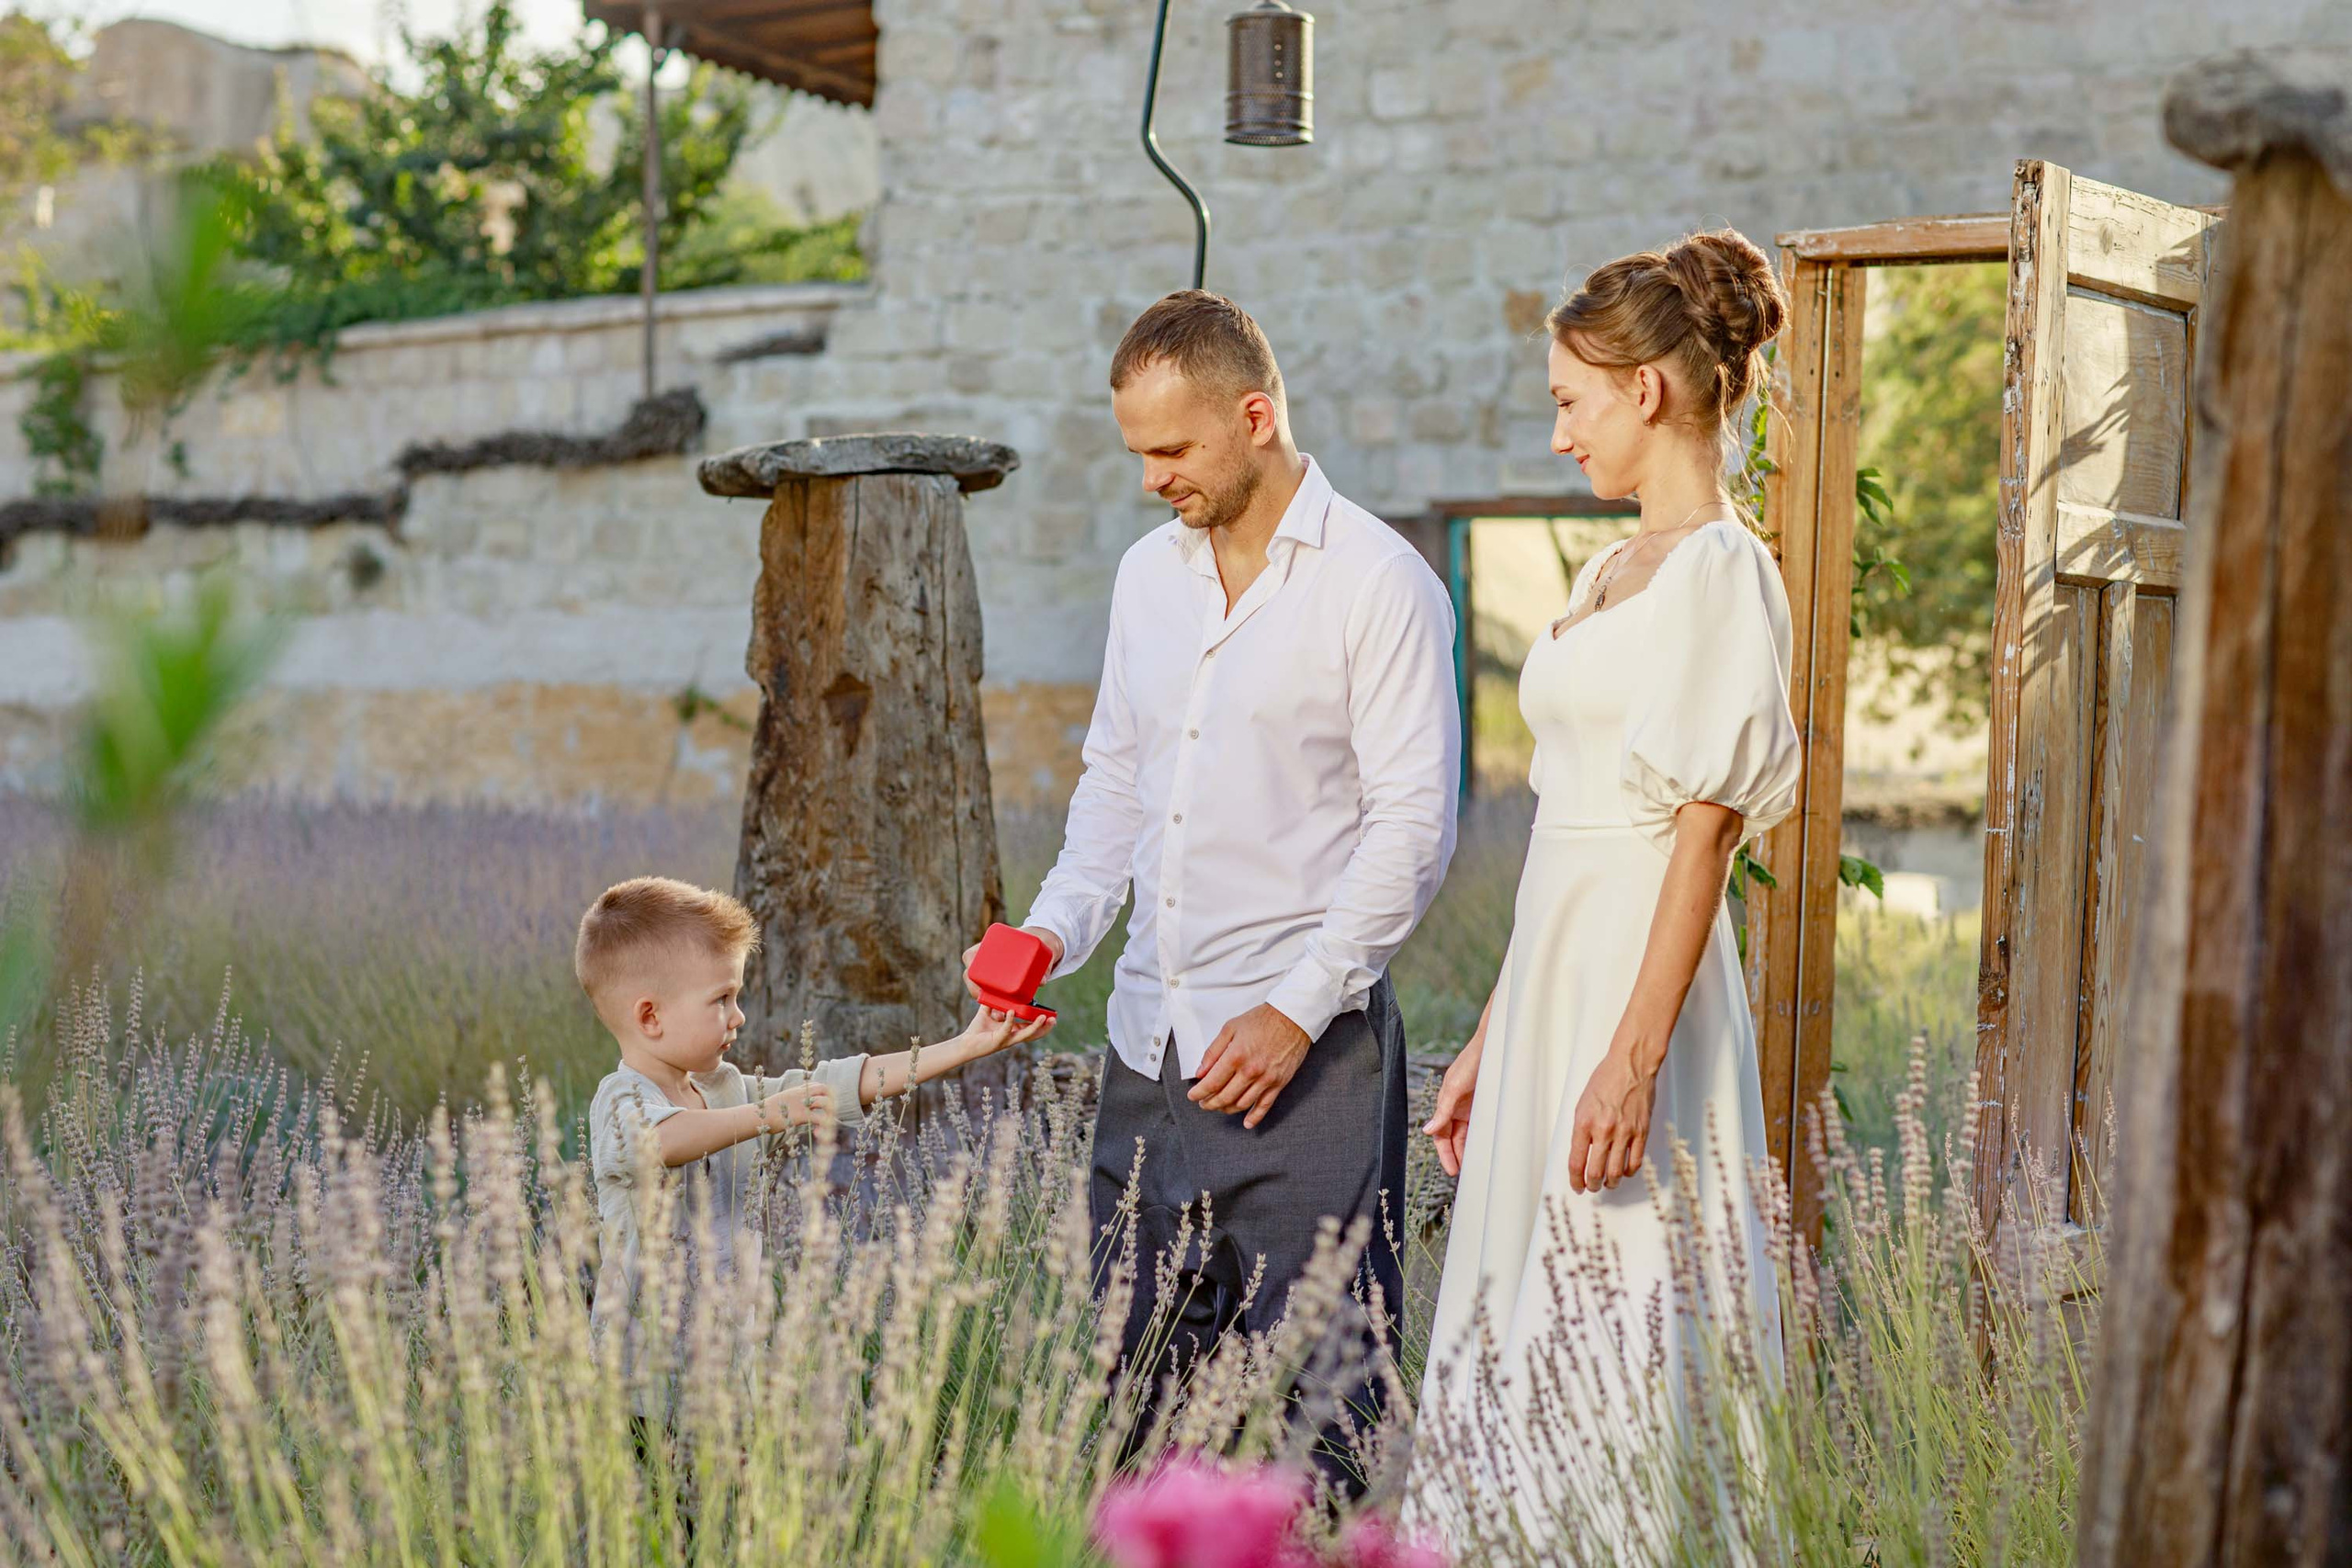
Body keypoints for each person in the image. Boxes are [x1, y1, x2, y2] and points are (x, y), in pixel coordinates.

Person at [967, 289, 1461, 1494]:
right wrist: (1052, 929)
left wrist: (1294, 1009)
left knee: (1327, 1401)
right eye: (1137, 451)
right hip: (1148, 1049)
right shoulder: (1149, 576)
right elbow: (1119, 786)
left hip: (1310, 1063)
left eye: (1173, 450)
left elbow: (1415, 825)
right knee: (1130, 1394)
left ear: (1255, 414)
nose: (1152, 478)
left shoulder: (1379, 583)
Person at [1410, 230, 1804, 1554]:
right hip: (1552, 990)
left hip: (1642, 1000)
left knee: (1623, 1322)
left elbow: (1697, 843)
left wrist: (1630, 1062)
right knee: (1518, 1327)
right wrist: (1493, 1029)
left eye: (1572, 402)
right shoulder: (1604, 574)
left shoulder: (1724, 574)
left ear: (1646, 389)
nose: (1562, 435)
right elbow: (1563, 835)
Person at [580, 874, 1053, 1426]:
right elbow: (660, 1140)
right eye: (721, 999)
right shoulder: (620, 1100)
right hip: (644, 1392)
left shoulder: (722, 1088)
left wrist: (966, 1046)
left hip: (732, 1380)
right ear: (650, 1017)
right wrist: (768, 1114)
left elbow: (842, 1081)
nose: (739, 1016)